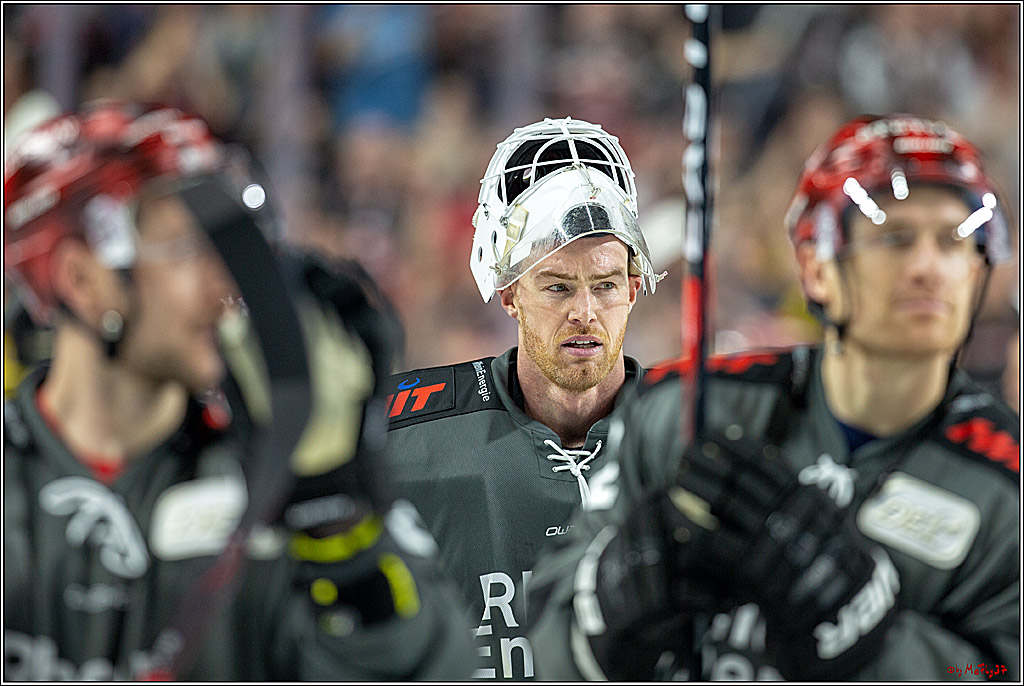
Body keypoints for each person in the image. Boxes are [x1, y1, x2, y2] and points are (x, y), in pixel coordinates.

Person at [526, 114, 1019, 681]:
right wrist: (606, 604)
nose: (930, 268)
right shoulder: (681, 410)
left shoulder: (1008, 490)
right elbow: (543, 646)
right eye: (895, 238)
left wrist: (868, 637)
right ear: (816, 267)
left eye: (956, 240)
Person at [3, 101, 475, 680]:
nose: (225, 282)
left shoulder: (270, 475)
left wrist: (334, 522)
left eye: (223, 245)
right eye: (184, 249)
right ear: (81, 280)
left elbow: (429, 671)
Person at [382, 116, 664, 679]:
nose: (584, 312)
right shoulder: (405, 437)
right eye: (557, 286)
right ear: (510, 294)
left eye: (605, 285)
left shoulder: (687, 432)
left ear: (633, 288)